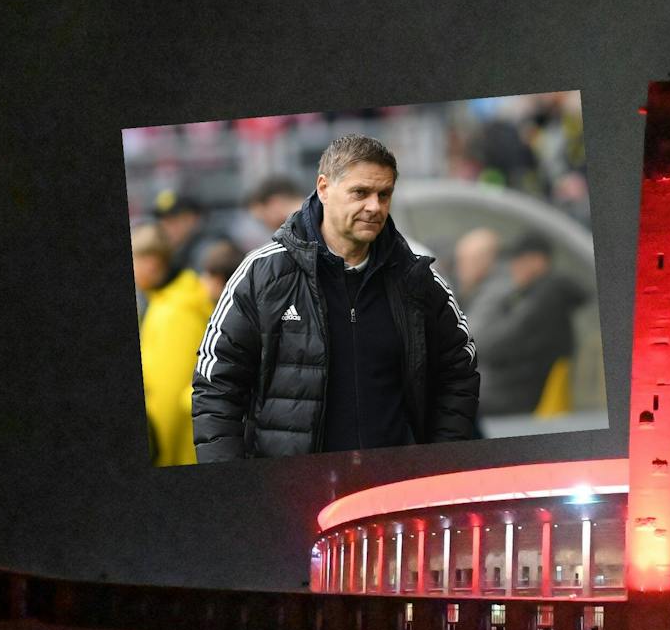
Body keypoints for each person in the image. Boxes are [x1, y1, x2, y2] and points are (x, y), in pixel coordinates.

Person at [192, 134, 479, 460]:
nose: (374, 206)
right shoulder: (262, 275)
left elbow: (460, 372)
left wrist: (438, 460)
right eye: (360, 192)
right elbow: (216, 386)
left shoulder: (417, 279)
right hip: (294, 492)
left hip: (395, 487)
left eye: (384, 194)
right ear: (324, 188)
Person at [465, 231, 588, 418]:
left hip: (519, 396)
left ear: (538, 261)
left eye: (518, 260)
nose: (513, 267)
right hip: (514, 388)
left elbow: (497, 344)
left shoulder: (546, 295)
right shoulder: (540, 294)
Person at [138, 229, 216, 466]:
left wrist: (157, 460)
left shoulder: (173, 313)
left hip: (177, 454)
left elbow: (167, 399)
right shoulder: (169, 302)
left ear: (151, 263)